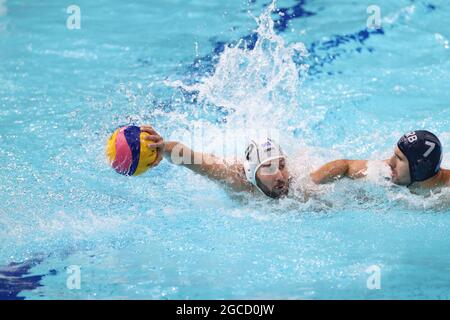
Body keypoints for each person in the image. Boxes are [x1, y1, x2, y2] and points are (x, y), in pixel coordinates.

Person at [141, 125, 291, 199]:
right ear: (252, 173)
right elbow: (188, 157)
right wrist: (163, 147)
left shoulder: (298, 182)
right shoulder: (234, 178)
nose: (280, 176)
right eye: (268, 168)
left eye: (282, 166)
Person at [311, 130, 450, 192]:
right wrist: (311, 182)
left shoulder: (444, 194)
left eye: (399, 159)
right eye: (394, 155)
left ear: (418, 168)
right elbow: (345, 165)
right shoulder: (386, 171)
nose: (390, 162)